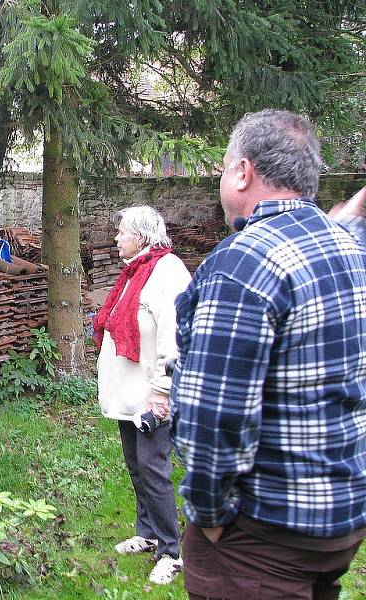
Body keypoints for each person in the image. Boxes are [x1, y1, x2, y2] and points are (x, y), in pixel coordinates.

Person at [171, 109, 366, 599]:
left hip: (260, 540)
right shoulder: (347, 249)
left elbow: (212, 415)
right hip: (339, 521)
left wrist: (209, 517)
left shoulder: (244, 263)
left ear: (242, 171)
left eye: (222, 166)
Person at [93, 205, 191, 585]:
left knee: (154, 469)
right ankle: (147, 532)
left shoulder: (168, 274)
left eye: (122, 232)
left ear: (143, 236)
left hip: (151, 395)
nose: (116, 238)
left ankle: (172, 551)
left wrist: (162, 393)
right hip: (128, 394)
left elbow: (173, 338)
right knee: (137, 466)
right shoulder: (134, 272)